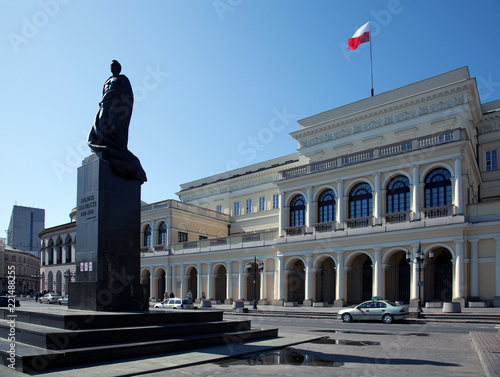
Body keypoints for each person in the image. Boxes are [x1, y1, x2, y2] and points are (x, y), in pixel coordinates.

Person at [88, 60, 147, 183]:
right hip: (105, 105)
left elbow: (127, 95)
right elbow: (103, 94)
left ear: (119, 68)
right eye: (111, 66)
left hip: (115, 108)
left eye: (114, 66)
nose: (112, 67)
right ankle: (104, 145)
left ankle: (114, 146)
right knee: (99, 126)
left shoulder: (123, 79)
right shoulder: (107, 81)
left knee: (113, 128)